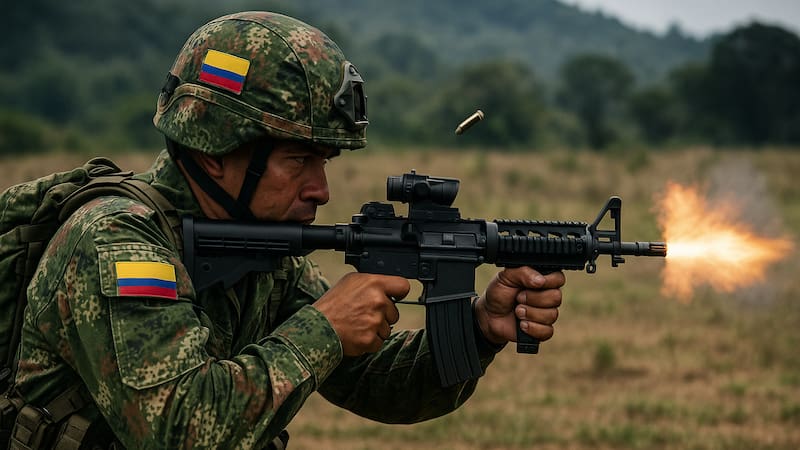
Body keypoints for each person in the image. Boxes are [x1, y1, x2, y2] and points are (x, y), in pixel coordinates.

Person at [11, 11, 565, 449]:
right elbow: (179, 432)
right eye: (299, 159)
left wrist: (477, 329)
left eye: (325, 161)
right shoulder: (114, 245)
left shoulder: (264, 251)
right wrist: (323, 329)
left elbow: (374, 382)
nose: (321, 189)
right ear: (216, 152)